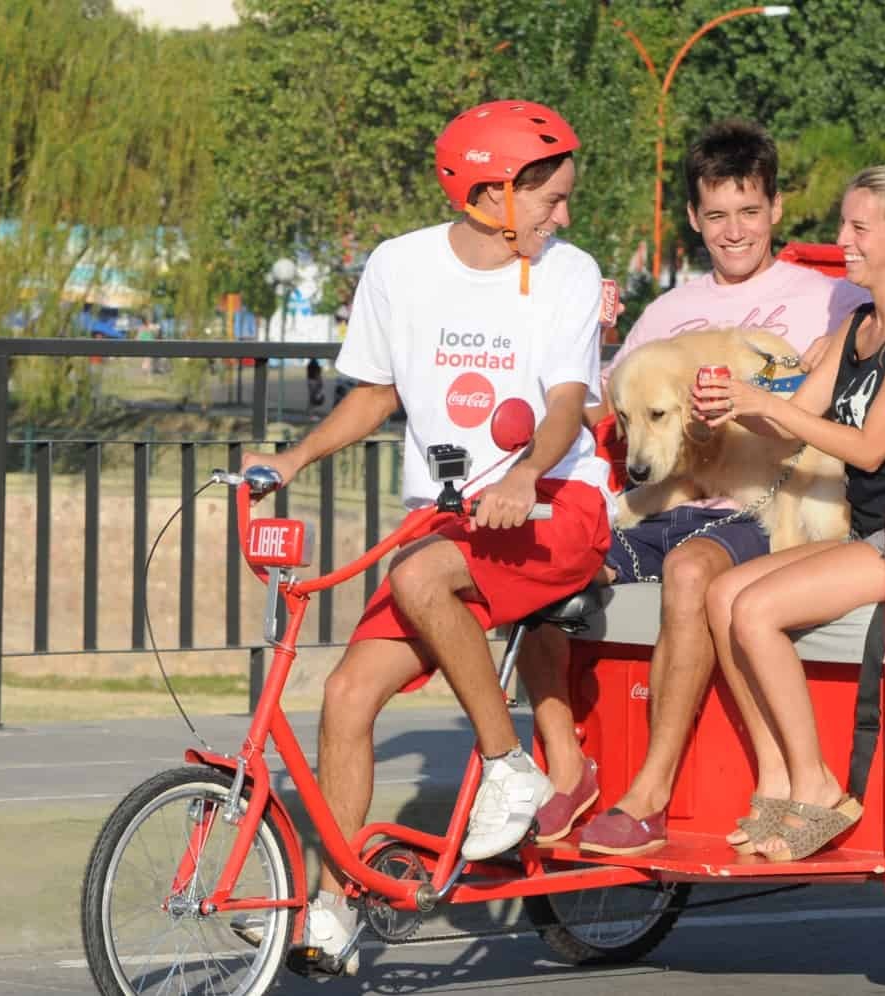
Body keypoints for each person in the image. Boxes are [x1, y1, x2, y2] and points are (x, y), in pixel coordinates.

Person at [236, 100, 612, 975]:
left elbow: (564, 406)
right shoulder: (399, 267)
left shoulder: (567, 271)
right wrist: (288, 461)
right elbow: (374, 396)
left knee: (419, 579)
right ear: (490, 193)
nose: (565, 213)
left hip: (556, 504)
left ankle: (509, 767)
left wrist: (523, 474)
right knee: (344, 699)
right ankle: (334, 908)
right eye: (551, 197)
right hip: (448, 523)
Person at [518, 119, 869, 856]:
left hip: (761, 512)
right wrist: (586, 346)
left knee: (690, 568)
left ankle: (648, 795)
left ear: (776, 208)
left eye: (748, 211)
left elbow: (861, 398)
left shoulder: (833, 302)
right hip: (663, 506)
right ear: (693, 219)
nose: (733, 231)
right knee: (546, 567)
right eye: (716, 215)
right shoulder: (667, 313)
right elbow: (616, 426)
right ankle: (565, 769)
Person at [696, 164, 885, 863]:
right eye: (844, 225)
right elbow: (794, 427)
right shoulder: (858, 323)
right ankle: (779, 780)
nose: (842, 240)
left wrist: (767, 404)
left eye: (859, 227)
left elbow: (872, 445)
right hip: (867, 529)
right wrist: (737, 404)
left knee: (757, 612)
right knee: (722, 593)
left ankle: (819, 784)